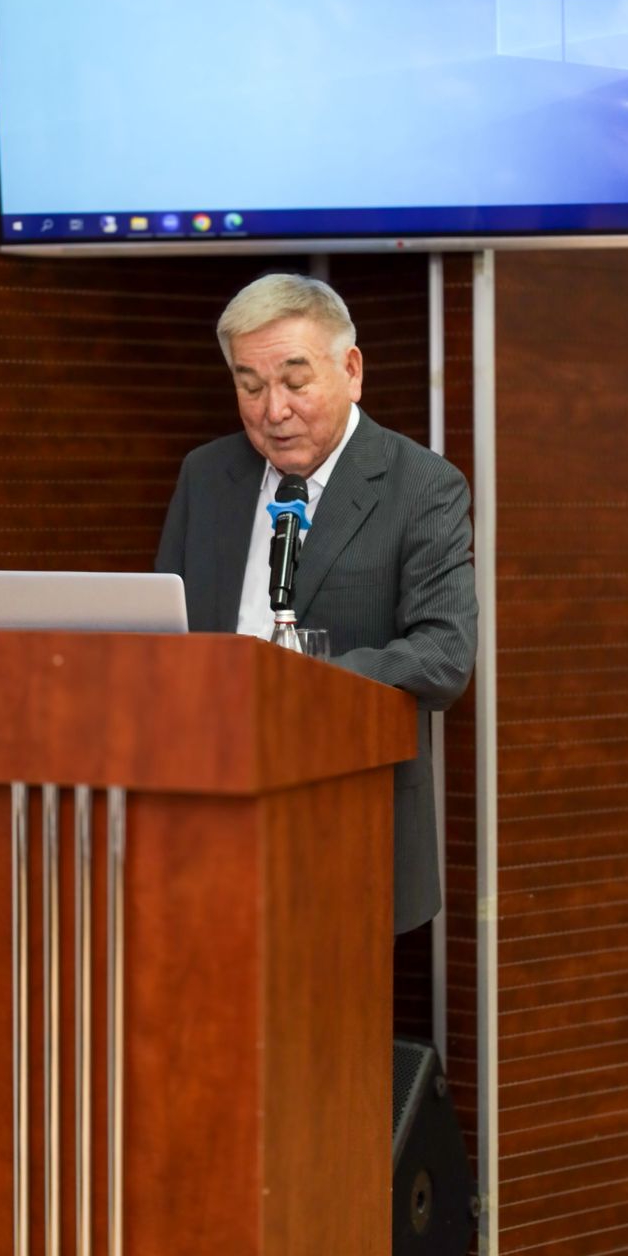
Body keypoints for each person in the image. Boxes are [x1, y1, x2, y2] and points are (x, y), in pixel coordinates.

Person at [155, 272, 477, 934]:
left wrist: (298, 683)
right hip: (201, 813)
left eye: (295, 383)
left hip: (346, 822)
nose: (273, 410)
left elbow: (444, 656)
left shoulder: (422, 486)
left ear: (350, 371)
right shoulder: (206, 475)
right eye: (250, 387)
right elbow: (165, 633)